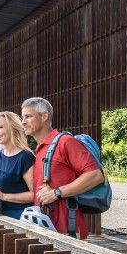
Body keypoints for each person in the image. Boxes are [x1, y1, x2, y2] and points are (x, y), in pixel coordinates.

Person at [21, 97, 104, 239]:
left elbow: (96, 175)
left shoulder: (65, 142)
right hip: (46, 227)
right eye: (23, 117)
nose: (23, 122)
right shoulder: (40, 149)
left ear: (44, 116)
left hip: (67, 231)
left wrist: (56, 193)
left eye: (28, 116)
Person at [0, 111, 35, 218]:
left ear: (13, 129)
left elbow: (34, 195)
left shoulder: (25, 157)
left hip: (19, 217)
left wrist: (4, 196)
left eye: (0, 127)